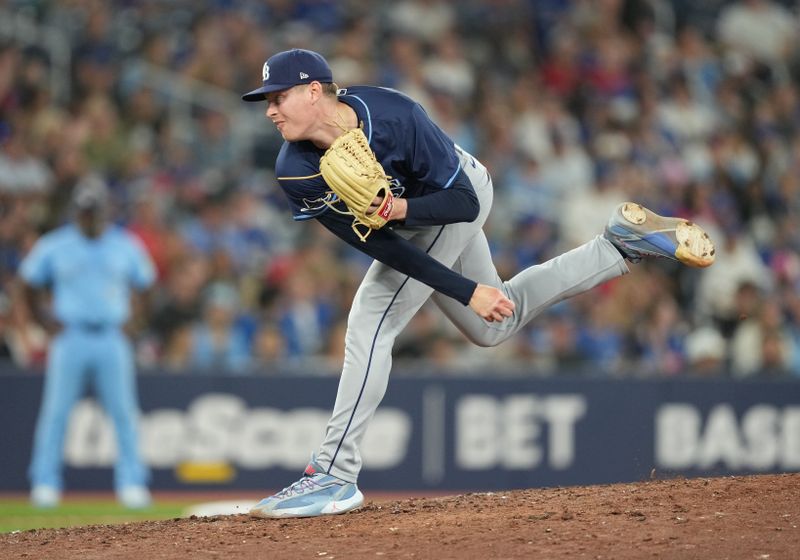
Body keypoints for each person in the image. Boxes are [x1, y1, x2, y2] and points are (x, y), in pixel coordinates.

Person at [241, 49, 715, 518]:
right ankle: (617, 246)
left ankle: (333, 473)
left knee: (370, 319)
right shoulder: (295, 168)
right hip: (407, 229)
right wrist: (465, 290)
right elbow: (381, 247)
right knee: (491, 328)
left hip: (457, 193)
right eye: (267, 101)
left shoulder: (393, 115)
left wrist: (403, 216)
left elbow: (464, 204)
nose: (270, 110)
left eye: (278, 97)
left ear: (313, 91)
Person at [15, 175, 156, 509]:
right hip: (71, 336)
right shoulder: (55, 244)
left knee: (123, 413)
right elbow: (28, 283)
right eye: (85, 211)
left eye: (95, 211)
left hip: (110, 336)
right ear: (76, 211)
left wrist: (135, 324)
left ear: (106, 210)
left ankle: (132, 483)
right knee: (56, 413)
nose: (90, 217)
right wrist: (44, 322)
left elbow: (146, 284)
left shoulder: (124, 243)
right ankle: (45, 483)